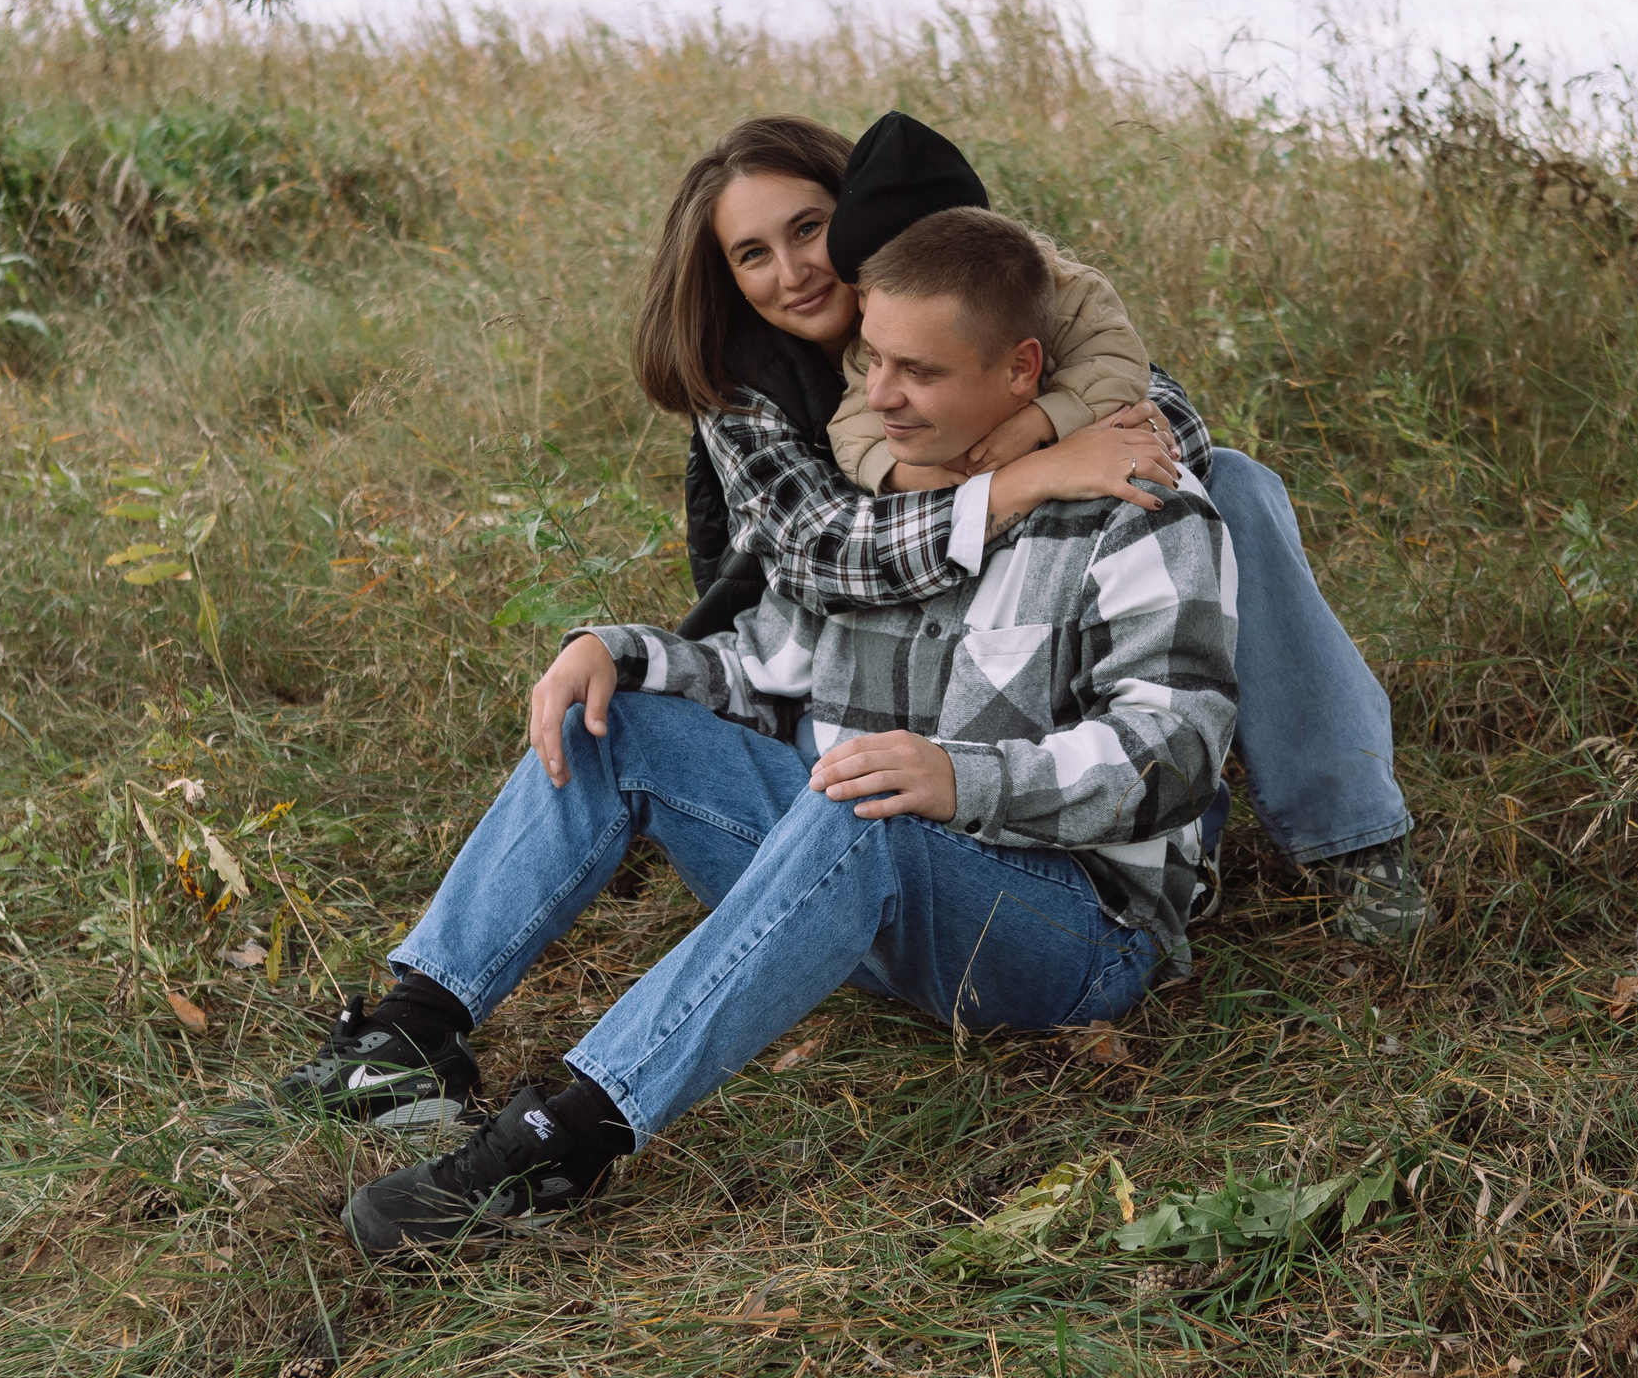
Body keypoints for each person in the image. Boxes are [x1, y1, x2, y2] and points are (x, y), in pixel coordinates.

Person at [328, 205, 1238, 1256]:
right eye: (872, 361)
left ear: (1023, 368)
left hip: (1072, 928)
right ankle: (415, 1030)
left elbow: (1175, 754)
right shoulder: (882, 513)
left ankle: (556, 1145)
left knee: (866, 806)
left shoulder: (1143, 515)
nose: (878, 398)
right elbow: (759, 672)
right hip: (853, 867)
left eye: (919, 373)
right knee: (615, 715)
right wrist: (615, 653)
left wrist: (963, 779)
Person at [654, 112, 1423, 940]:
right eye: (752, 254)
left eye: (809, 228)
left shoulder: (966, 275)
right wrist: (1026, 479)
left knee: (1231, 482)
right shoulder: (739, 385)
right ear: (727, 275)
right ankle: (1076, 853)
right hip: (849, 655)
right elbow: (826, 557)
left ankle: (1355, 838)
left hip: (1024, 595)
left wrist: (1044, 422)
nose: (797, 271)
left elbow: (1167, 426)